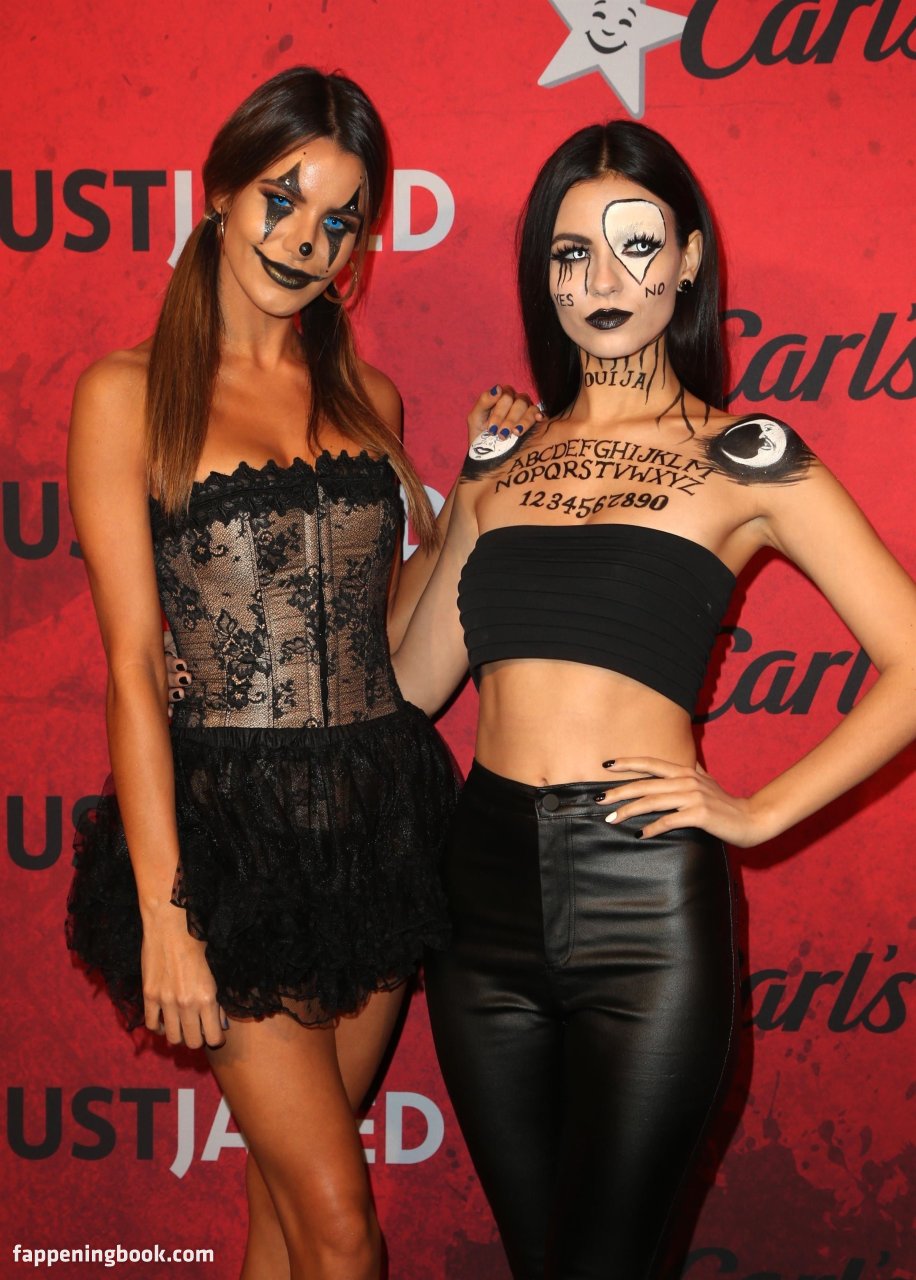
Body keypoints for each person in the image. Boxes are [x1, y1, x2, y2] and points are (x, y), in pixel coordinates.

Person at [388, 121, 916, 1279]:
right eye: (570, 253)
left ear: (686, 260)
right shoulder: (508, 457)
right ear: (544, 277)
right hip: (479, 897)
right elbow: (411, 682)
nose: (603, 280)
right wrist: (464, 482)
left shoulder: (747, 452)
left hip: (643, 897)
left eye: (636, 246)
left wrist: (759, 812)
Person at [64, 66, 537, 1280]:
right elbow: (132, 667)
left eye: (338, 219)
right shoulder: (126, 394)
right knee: (341, 1222)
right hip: (228, 844)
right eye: (282, 198)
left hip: (378, 824)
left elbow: (398, 658)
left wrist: (476, 493)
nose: (304, 240)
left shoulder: (369, 397)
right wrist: (170, 915)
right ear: (220, 192)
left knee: (286, 1209)